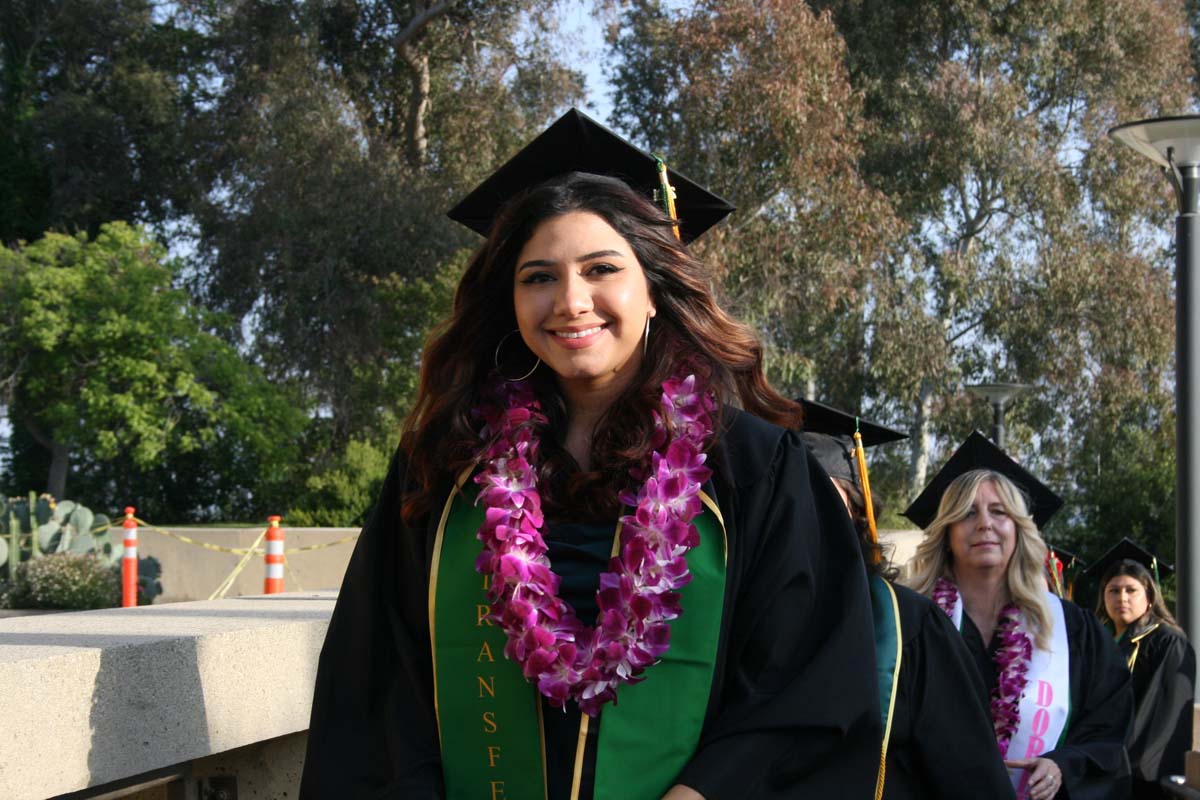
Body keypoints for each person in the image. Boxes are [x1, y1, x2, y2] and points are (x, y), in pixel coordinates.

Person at [299, 109, 882, 800]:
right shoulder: (449, 465)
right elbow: (379, 683)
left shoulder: (754, 469)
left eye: (602, 268)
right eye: (538, 277)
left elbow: (808, 687)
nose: (571, 302)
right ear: (509, 300)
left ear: (654, 291)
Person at [799, 400, 1015, 800]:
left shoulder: (912, 629)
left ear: (859, 515)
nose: (804, 513)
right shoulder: (742, 621)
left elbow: (972, 779)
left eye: (825, 497)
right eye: (787, 499)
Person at [903, 431, 1133, 800]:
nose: (984, 524)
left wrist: (1062, 764)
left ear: (1018, 529)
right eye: (966, 513)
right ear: (946, 532)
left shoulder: (1071, 629)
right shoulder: (912, 624)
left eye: (999, 512)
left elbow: (1107, 724)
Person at [1090, 538, 1196, 799]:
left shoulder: (1167, 641)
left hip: (1138, 776)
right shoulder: (1100, 641)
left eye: (1131, 590)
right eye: (1113, 590)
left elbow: (1163, 720)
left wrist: (1127, 766)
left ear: (1149, 597)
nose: (1121, 598)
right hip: (1100, 763)